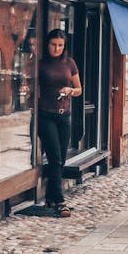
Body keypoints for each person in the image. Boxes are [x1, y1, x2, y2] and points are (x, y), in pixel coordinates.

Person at [37, 28, 82, 217]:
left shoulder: (69, 63)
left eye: (60, 45)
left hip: (64, 115)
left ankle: (49, 196)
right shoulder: (40, 64)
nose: (56, 48)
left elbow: (79, 89)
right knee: (55, 157)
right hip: (45, 115)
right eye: (53, 44)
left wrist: (70, 91)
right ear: (47, 44)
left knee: (61, 159)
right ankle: (60, 200)